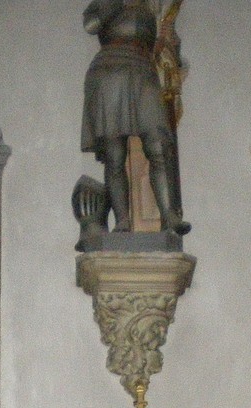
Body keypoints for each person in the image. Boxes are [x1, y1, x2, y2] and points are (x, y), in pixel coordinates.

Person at [81, 0, 189, 235]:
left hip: (143, 68)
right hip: (110, 68)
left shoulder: (149, 5)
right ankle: (122, 221)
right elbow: (91, 25)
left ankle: (169, 215)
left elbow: (160, 43)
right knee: (114, 154)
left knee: (159, 145)